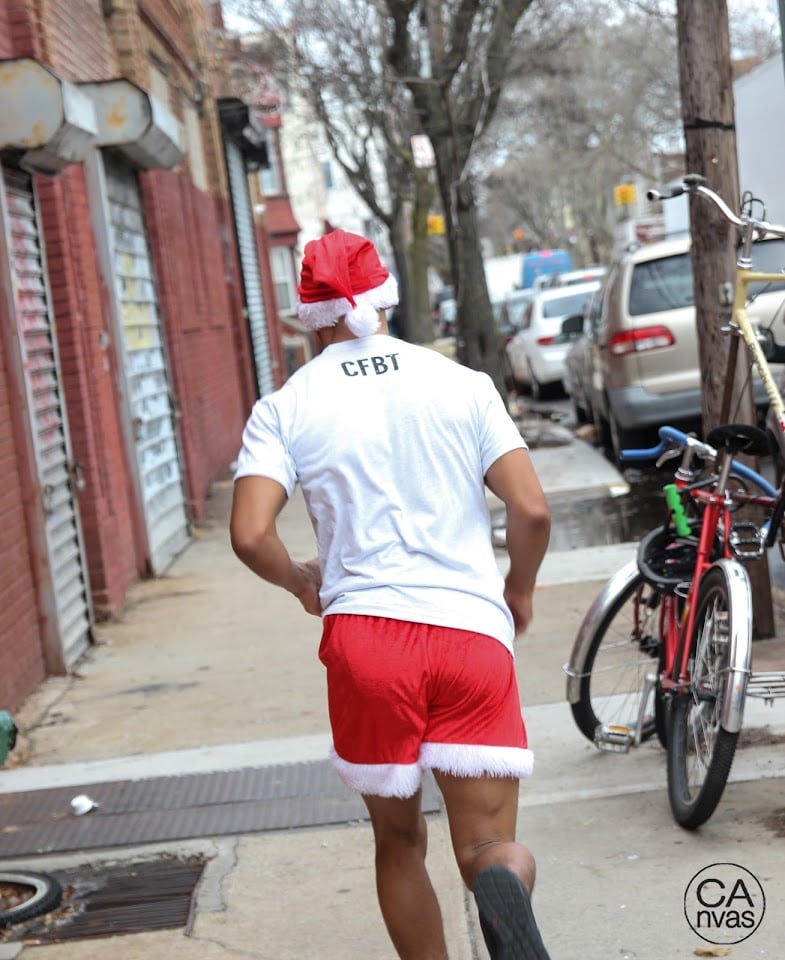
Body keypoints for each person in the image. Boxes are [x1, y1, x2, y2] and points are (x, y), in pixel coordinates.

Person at [230, 228, 552, 960]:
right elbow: (529, 511)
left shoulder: (285, 407)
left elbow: (250, 534)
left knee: (398, 839)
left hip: (367, 640)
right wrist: (518, 590)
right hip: (467, 629)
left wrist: (301, 581)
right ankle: (500, 883)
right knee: (490, 843)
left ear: (306, 314)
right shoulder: (462, 385)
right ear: (386, 296)